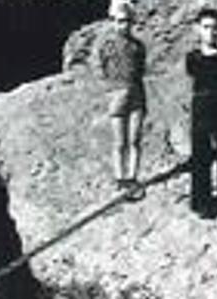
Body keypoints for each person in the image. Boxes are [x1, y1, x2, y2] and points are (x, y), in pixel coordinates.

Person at [185, 7, 217, 218]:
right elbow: (198, 71)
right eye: (206, 27)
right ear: (197, 29)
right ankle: (202, 203)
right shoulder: (193, 56)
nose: (211, 32)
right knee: (201, 155)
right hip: (201, 107)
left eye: (215, 28)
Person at [94, 0, 147, 201]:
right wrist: (110, 91)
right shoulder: (106, 45)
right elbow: (99, 68)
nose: (122, 25)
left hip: (137, 95)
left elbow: (141, 69)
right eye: (118, 21)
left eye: (126, 21)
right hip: (116, 95)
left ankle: (132, 177)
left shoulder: (138, 46)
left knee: (135, 140)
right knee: (119, 142)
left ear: (131, 22)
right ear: (112, 21)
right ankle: (119, 179)